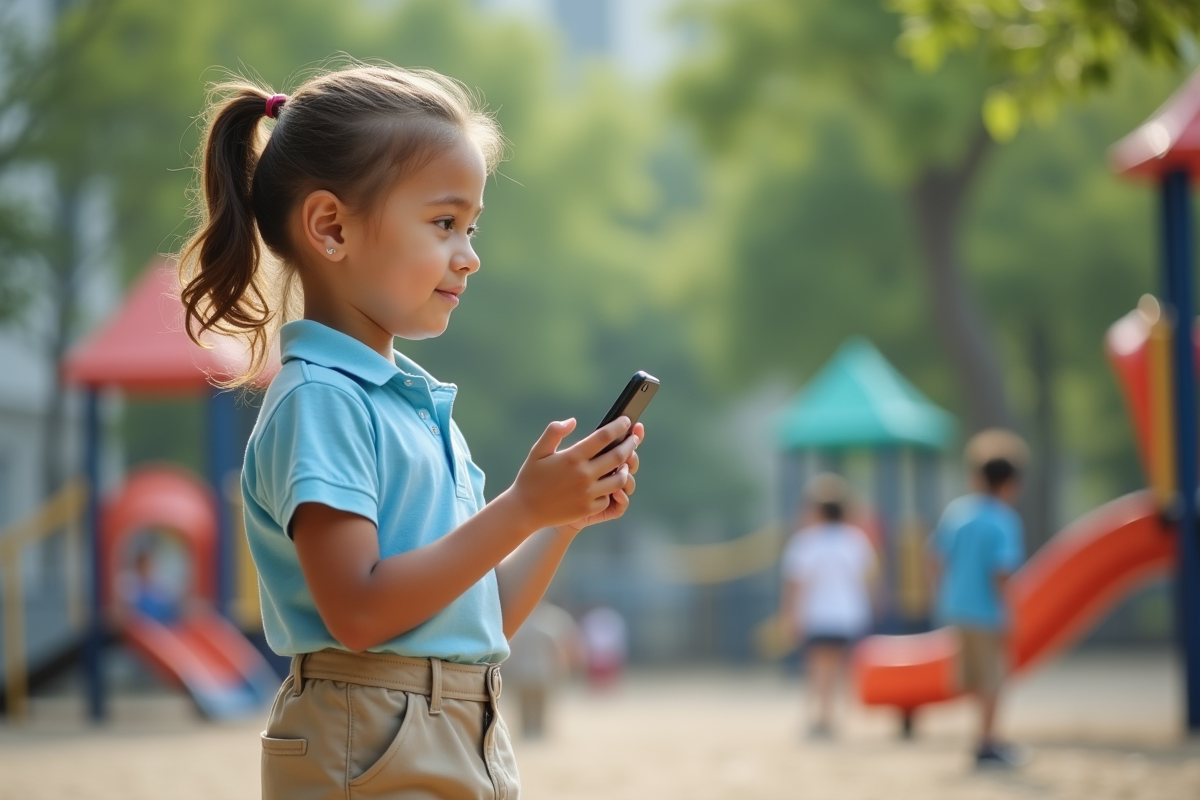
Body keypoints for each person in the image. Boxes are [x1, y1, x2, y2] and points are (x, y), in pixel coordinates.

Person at [179, 63, 645, 800]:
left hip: (464, 726)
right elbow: (360, 611)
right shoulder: (320, 400)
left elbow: (479, 615)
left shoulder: (416, 406)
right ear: (331, 226)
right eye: (443, 222)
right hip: (367, 738)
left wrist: (562, 518)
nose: (470, 252)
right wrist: (521, 509)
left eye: (472, 226)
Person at [929, 429, 1028, 769]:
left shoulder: (957, 512)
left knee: (972, 678)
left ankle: (981, 737)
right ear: (1009, 484)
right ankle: (988, 742)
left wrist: (942, 594)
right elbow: (1000, 572)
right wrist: (1011, 611)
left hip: (957, 607)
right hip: (988, 612)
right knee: (993, 680)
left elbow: (937, 559)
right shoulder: (1003, 520)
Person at [779, 473, 877, 739]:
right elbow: (866, 579)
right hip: (848, 614)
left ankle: (820, 718)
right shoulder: (855, 540)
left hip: (818, 614)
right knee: (840, 667)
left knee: (818, 667)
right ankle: (835, 717)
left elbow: (796, 585)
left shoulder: (806, 542)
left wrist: (790, 616)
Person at [504, 602, 580, 739]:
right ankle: (539, 734)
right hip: (542, 672)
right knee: (540, 707)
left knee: (524, 708)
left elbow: (511, 649)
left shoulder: (520, 625)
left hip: (521, 673)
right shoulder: (550, 624)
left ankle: (527, 733)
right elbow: (557, 651)